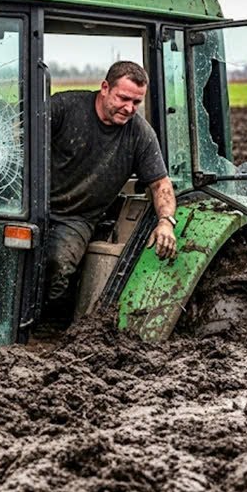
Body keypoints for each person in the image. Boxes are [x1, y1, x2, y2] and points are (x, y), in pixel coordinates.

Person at [44, 60, 178, 309]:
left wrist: (166, 222)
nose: (129, 108)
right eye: (123, 98)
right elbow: (18, 132)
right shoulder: (64, 107)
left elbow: (161, 184)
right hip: (30, 203)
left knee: (57, 263)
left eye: (136, 102)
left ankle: (46, 325)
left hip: (76, 218)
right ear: (105, 87)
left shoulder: (140, 134)